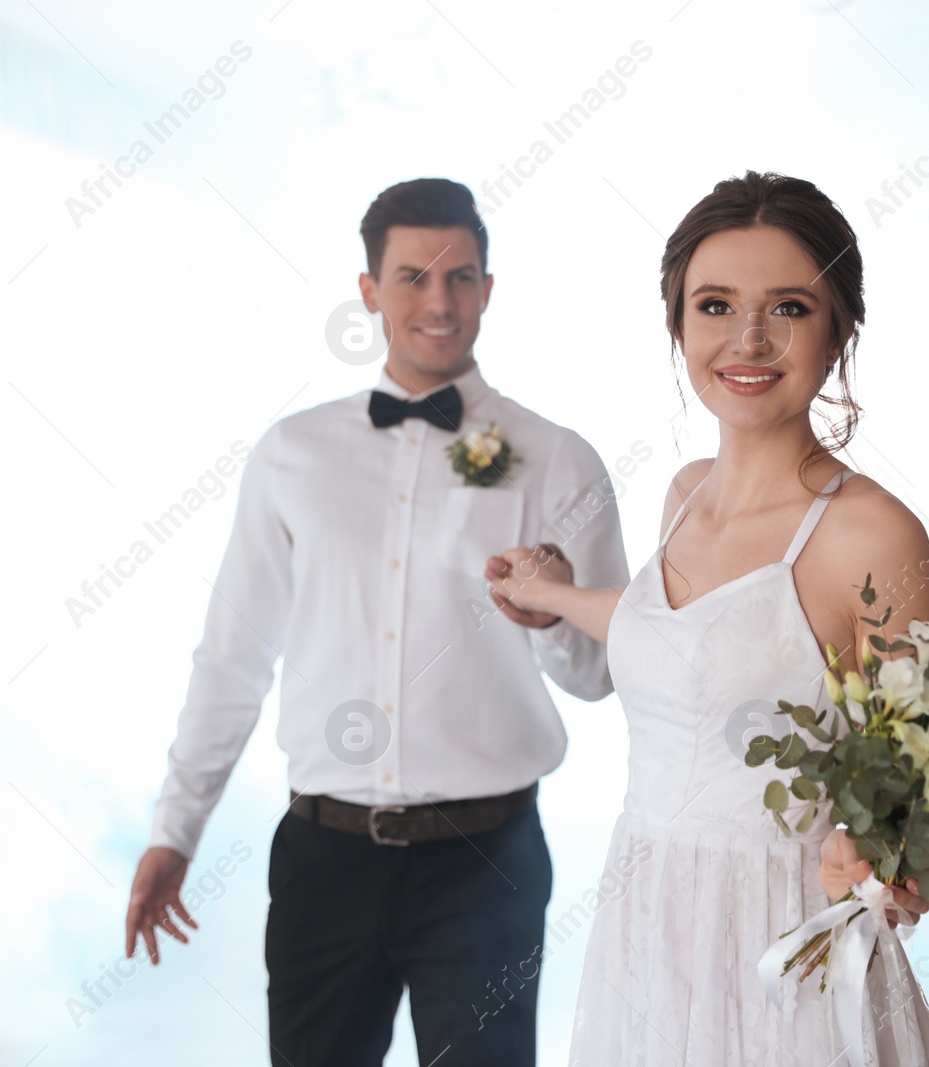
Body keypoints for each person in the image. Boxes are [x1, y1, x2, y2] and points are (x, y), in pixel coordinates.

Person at [124, 177, 631, 1067]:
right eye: (411, 277)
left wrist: (543, 608)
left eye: (461, 278)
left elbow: (599, 671)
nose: (438, 302)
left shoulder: (557, 458)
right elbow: (235, 655)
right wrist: (177, 827)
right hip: (325, 858)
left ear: (488, 288)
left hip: (489, 860)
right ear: (368, 291)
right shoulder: (291, 453)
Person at [486, 171, 929, 1064]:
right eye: (715, 305)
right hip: (649, 925)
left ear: (841, 329)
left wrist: (881, 858)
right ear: (677, 325)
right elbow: (694, 643)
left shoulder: (868, 532)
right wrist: (549, 595)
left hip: (791, 947)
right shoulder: (684, 494)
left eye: (788, 307)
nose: (748, 339)